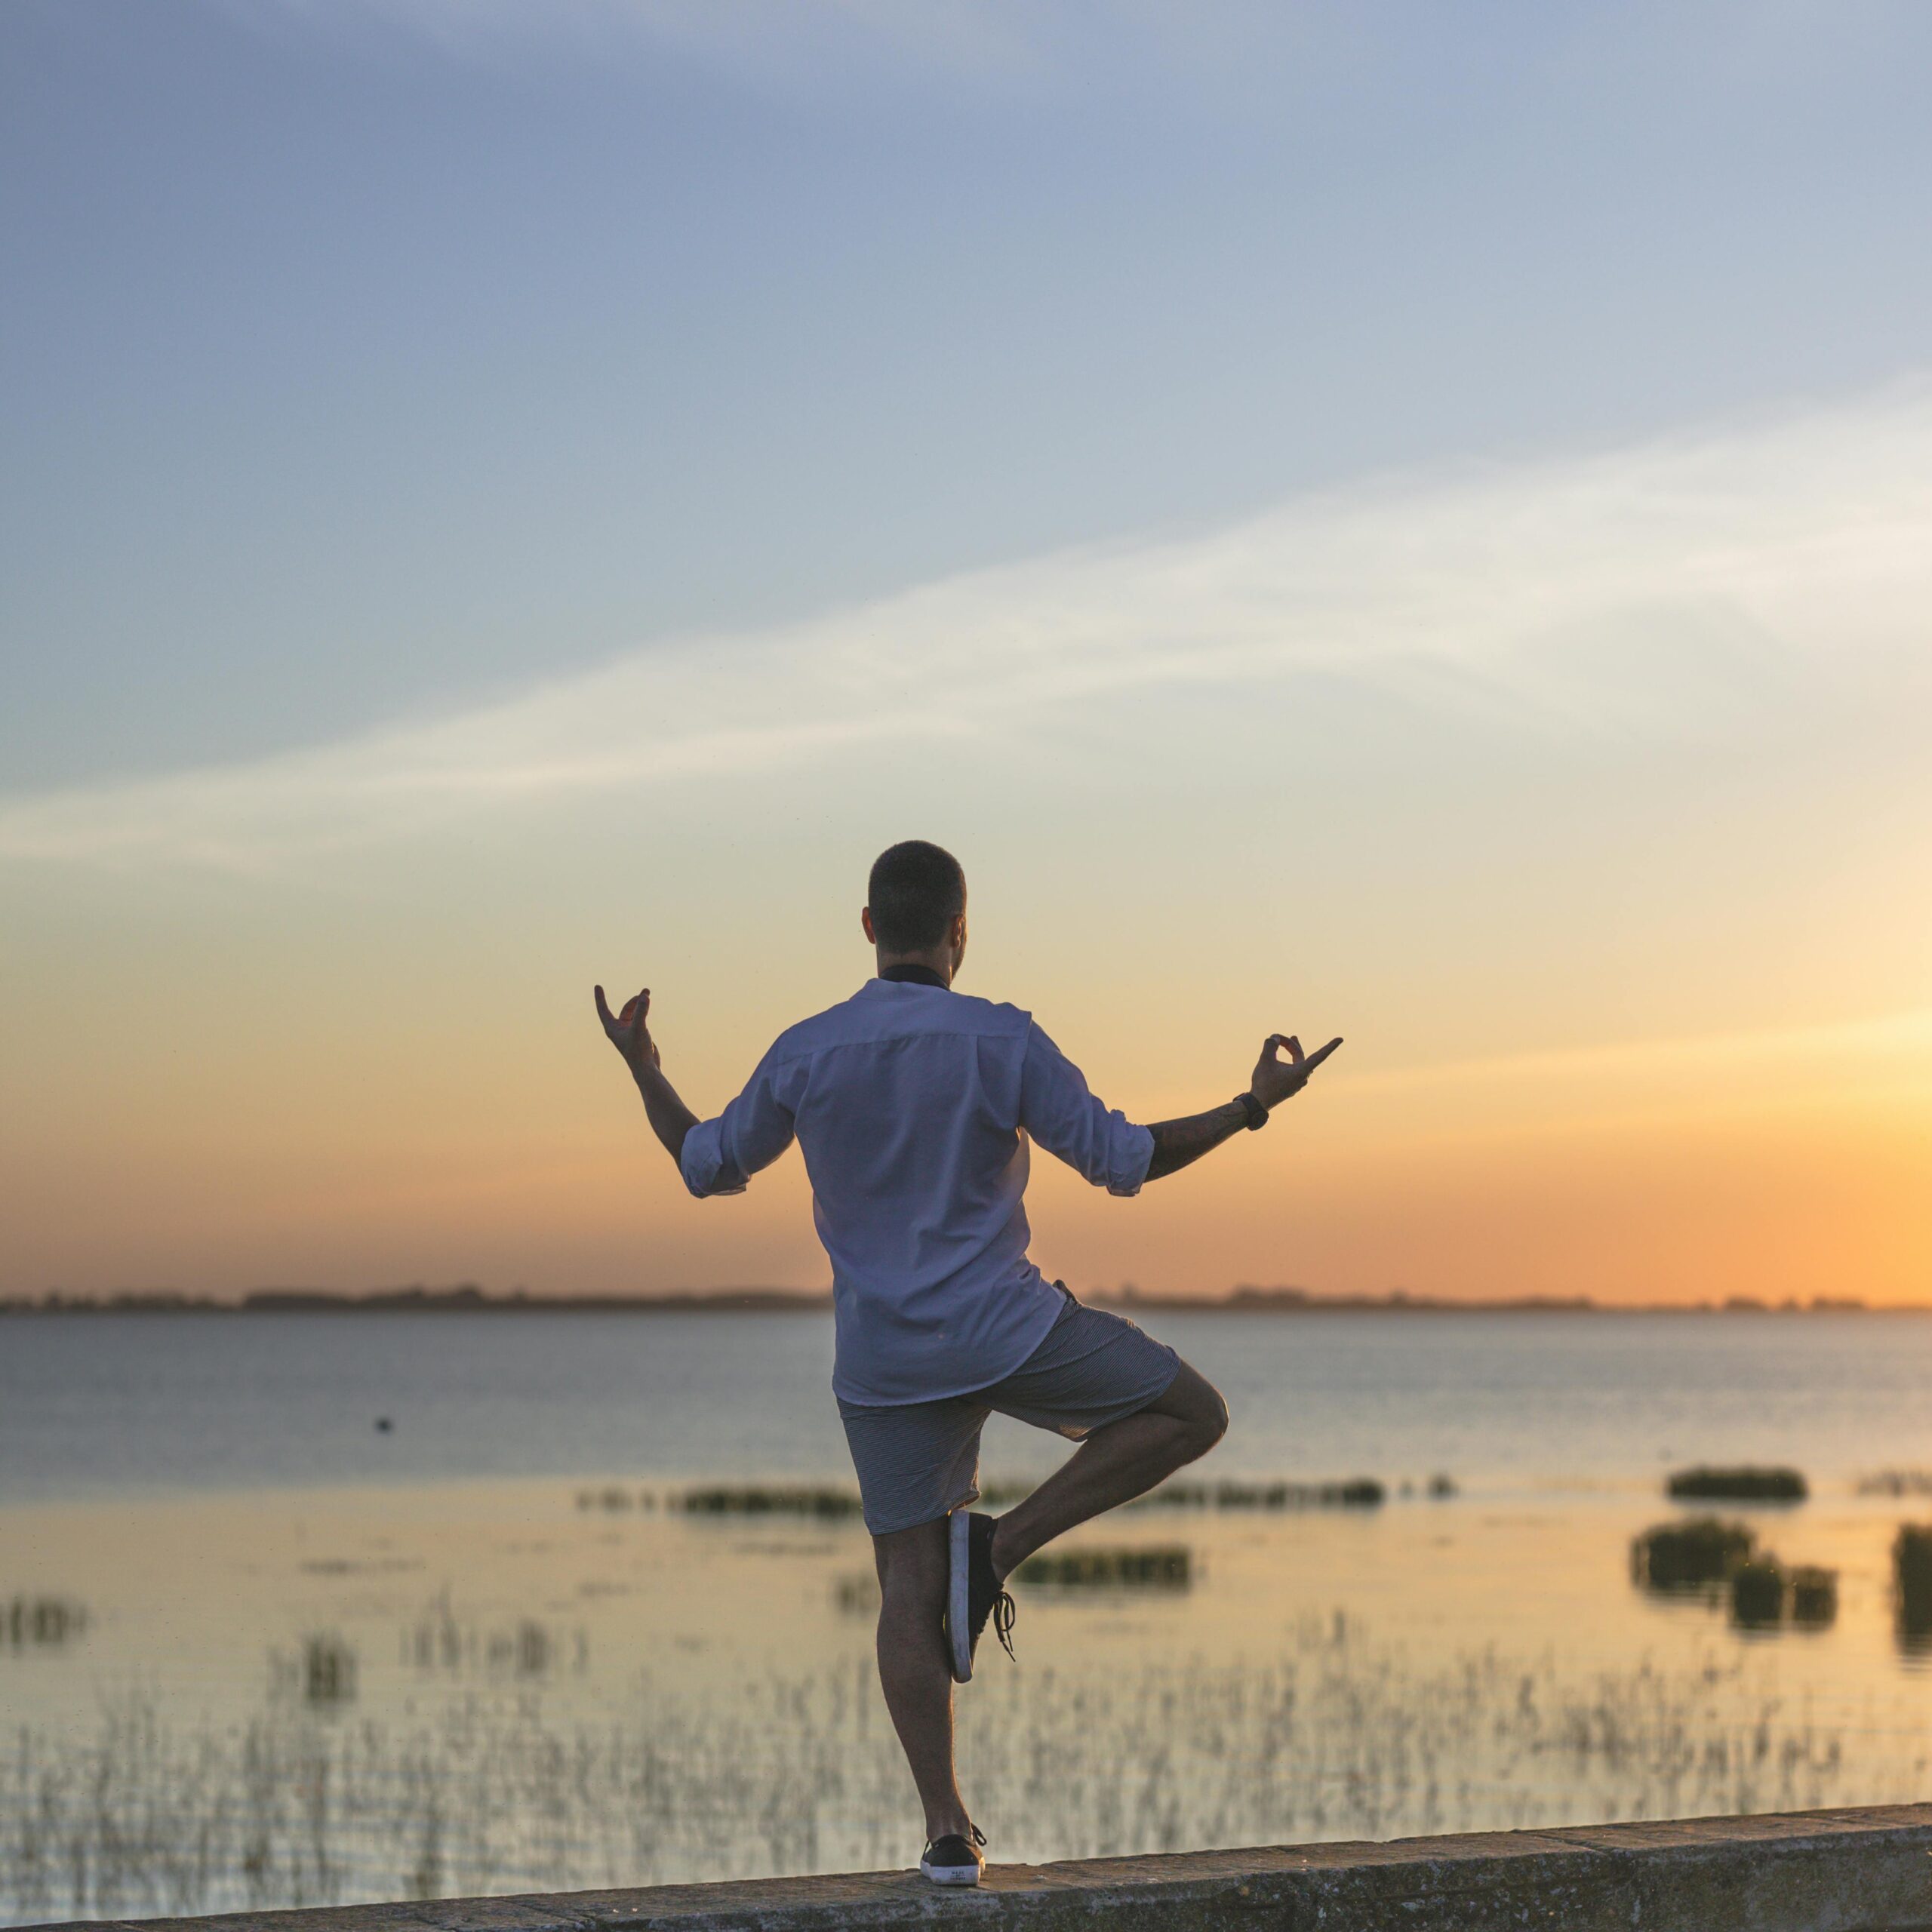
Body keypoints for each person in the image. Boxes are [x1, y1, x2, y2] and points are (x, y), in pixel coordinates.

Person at [594, 839, 1340, 1887]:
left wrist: (644, 1065)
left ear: (866, 927)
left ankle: (947, 1834)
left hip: (883, 1363)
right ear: (961, 931)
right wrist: (1254, 1104)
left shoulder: (809, 1049)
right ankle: (999, 1550)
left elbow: (703, 1165)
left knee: (906, 1585)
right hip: (1009, 1329)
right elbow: (1127, 1161)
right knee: (1192, 1413)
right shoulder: (1001, 1039)